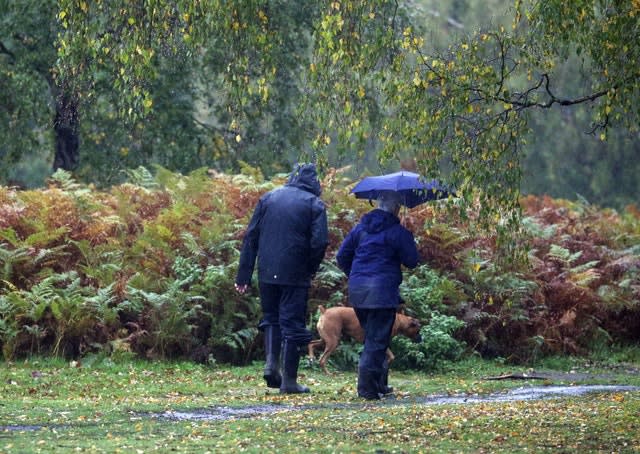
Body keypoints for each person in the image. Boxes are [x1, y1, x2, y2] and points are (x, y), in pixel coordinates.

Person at [235, 163, 328, 394]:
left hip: (266, 271)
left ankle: (270, 365)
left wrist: (243, 275)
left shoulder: (268, 198)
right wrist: (310, 267)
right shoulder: (314, 204)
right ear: (314, 181)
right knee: (292, 324)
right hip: (295, 273)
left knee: (271, 317)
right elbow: (319, 242)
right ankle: (289, 382)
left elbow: (251, 237)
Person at [336, 190, 419, 400]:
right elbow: (412, 261)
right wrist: (407, 238)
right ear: (396, 208)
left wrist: (356, 276)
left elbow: (341, 256)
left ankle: (380, 385)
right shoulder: (397, 232)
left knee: (374, 339)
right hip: (382, 293)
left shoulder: (360, 229)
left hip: (358, 292)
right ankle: (367, 389)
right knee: (376, 341)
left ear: (377, 204)